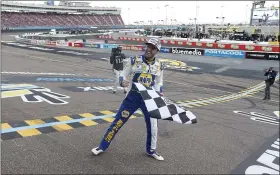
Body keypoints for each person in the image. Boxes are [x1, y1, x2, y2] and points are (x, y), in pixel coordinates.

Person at [92, 38, 165, 161]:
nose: (148, 49)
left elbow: (159, 82)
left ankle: (151, 150)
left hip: (149, 99)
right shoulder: (134, 60)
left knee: (153, 126)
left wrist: (159, 93)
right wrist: (121, 81)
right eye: (148, 46)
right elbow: (123, 74)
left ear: (157, 51)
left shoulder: (159, 66)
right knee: (118, 122)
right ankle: (102, 146)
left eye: (152, 48)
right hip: (132, 97)